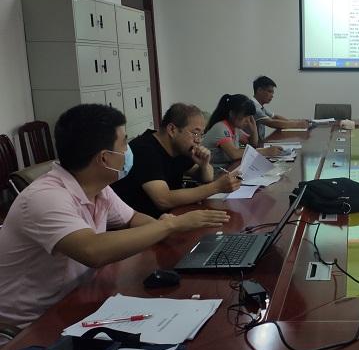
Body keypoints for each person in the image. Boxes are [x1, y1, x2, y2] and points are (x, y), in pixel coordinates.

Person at [0, 104, 230, 334]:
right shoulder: (46, 197)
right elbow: (92, 251)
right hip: (30, 328)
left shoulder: (99, 187)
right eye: (124, 143)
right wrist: (171, 225)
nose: (129, 150)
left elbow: (133, 218)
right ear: (104, 158)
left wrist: (166, 227)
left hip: (79, 302)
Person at [112, 103, 241, 218]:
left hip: (169, 216)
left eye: (201, 134)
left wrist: (204, 164)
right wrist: (216, 187)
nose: (198, 140)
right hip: (140, 224)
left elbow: (206, 178)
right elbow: (163, 200)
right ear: (172, 130)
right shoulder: (144, 149)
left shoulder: (179, 148)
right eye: (195, 133)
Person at [203, 94, 284, 168]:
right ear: (232, 114)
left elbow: (252, 144)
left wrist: (254, 129)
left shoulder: (235, 128)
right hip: (215, 172)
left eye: (249, 117)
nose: (247, 120)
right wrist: (264, 151)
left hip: (228, 168)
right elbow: (234, 154)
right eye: (245, 116)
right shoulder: (221, 128)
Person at [251, 75, 310, 141]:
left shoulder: (260, 107)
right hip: (253, 145)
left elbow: (275, 117)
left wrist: (295, 122)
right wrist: (297, 124)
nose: (272, 96)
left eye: (272, 93)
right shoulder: (253, 107)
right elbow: (271, 122)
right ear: (259, 90)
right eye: (269, 91)